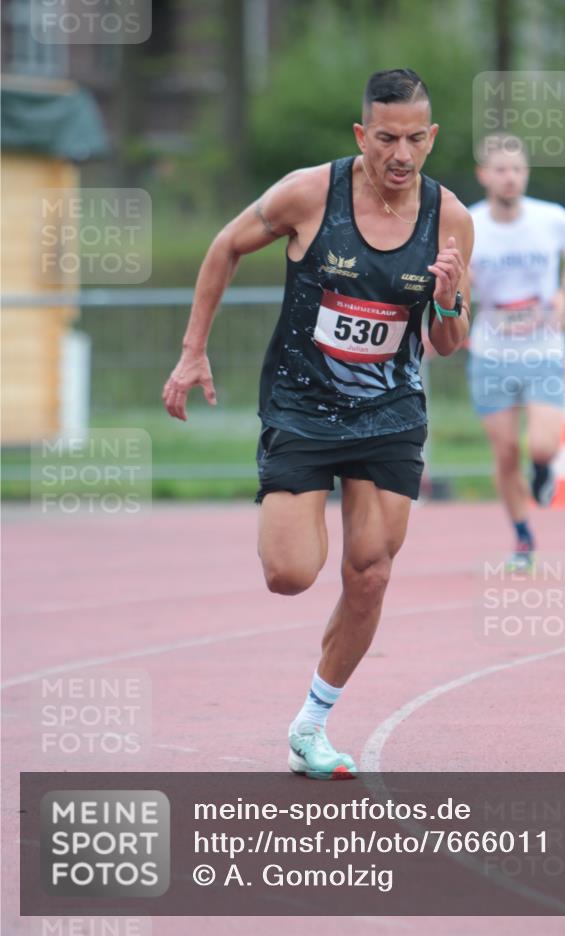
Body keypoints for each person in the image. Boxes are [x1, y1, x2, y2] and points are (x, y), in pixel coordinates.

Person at [163, 68, 472, 779]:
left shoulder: (449, 218)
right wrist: (192, 351)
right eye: (386, 138)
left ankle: (311, 724)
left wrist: (448, 301)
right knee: (290, 573)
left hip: (390, 411)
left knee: (370, 572)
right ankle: (305, 507)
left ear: (431, 138)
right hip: (303, 407)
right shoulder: (310, 194)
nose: (400, 154)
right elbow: (225, 245)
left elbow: (448, 341)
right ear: (362, 135)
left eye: (414, 139)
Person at [467, 134, 565, 570]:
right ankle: (522, 536)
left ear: (526, 174)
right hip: (491, 352)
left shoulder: (551, 218)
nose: (510, 178)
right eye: (501, 170)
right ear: (484, 175)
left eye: (518, 169)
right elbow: (454, 278)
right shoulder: (469, 224)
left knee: (542, 445)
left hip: (543, 349)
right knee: (505, 453)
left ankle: (542, 470)